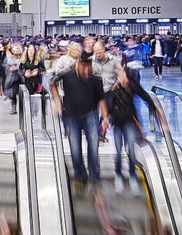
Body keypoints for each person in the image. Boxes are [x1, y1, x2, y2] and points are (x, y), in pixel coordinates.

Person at [52, 53, 109, 188]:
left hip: (90, 114)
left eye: (89, 67)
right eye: (84, 67)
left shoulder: (95, 78)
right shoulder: (67, 74)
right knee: (75, 147)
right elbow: (52, 81)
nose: (87, 71)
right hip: (71, 115)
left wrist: (105, 117)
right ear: (78, 63)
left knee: (93, 145)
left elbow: (101, 99)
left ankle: (94, 175)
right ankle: (80, 174)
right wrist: (57, 101)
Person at [108, 63, 154, 193]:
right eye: (117, 74)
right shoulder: (113, 87)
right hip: (117, 123)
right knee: (118, 151)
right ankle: (118, 176)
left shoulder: (131, 85)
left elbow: (145, 96)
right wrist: (113, 91)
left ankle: (132, 176)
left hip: (129, 122)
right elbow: (108, 106)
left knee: (131, 151)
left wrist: (157, 111)